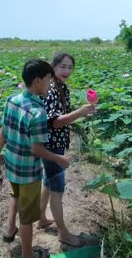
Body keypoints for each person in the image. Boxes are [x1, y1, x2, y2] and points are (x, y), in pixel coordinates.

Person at [0, 59, 71, 258]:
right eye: (48, 80)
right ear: (36, 81)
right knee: (27, 218)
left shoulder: (12, 100)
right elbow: (37, 149)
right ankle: (28, 254)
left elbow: (3, 130)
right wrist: (59, 159)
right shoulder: (38, 112)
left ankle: (9, 230)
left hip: (12, 165)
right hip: (29, 172)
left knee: (14, 196)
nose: (51, 84)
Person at [37, 52, 97, 247]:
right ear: (53, 67)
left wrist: (81, 113)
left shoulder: (60, 86)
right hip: (52, 143)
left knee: (48, 182)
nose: (67, 71)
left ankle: (42, 219)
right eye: (63, 66)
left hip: (55, 142)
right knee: (57, 189)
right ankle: (63, 233)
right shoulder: (53, 88)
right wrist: (79, 113)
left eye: (70, 67)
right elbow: (53, 123)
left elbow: (62, 118)